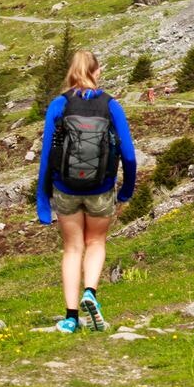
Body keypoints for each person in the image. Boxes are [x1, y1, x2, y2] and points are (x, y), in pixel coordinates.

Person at [36, 51, 137, 333]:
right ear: (97, 71)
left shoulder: (59, 104)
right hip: (101, 189)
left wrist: (43, 201)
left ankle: (70, 317)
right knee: (96, 243)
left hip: (65, 188)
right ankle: (90, 292)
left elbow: (47, 155)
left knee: (72, 249)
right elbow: (128, 154)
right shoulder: (111, 105)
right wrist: (126, 190)